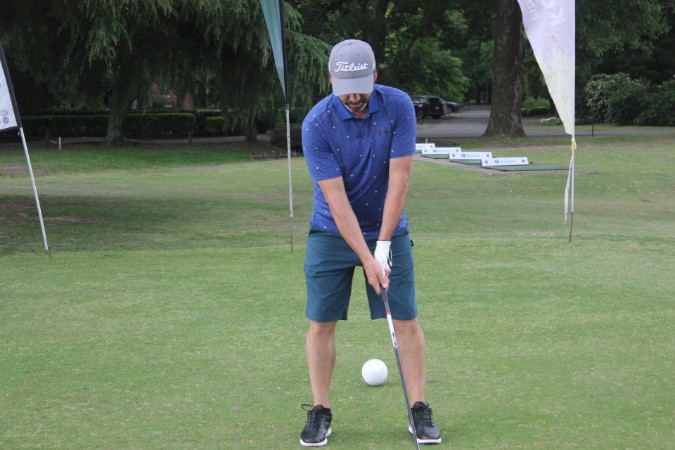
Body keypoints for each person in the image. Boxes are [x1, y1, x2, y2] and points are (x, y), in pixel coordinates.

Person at [299, 39, 441, 447]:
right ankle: (320, 411)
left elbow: (400, 180)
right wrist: (366, 255)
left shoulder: (398, 106)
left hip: (388, 227)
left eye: (361, 87)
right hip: (331, 230)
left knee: (406, 318)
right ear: (331, 80)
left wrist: (382, 244)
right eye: (346, 90)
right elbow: (336, 201)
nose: (354, 97)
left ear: (375, 76)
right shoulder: (316, 123)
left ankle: (418, 409)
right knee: (320, 322)